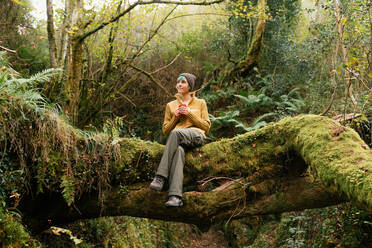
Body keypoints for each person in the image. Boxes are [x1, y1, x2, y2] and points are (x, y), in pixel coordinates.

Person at [149, 73, 211, 207]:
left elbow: (206, 127)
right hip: (178, 141)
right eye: (178, 82)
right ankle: (175, 196)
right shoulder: (170, 105)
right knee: (178, 152)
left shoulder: (201, 103)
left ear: (190, 86)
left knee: (176, 133)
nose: (179, 84)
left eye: (183, 82)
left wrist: (189, 113)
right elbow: (166, 131)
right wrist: (175, 118)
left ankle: (160, 177)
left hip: (196, 135)